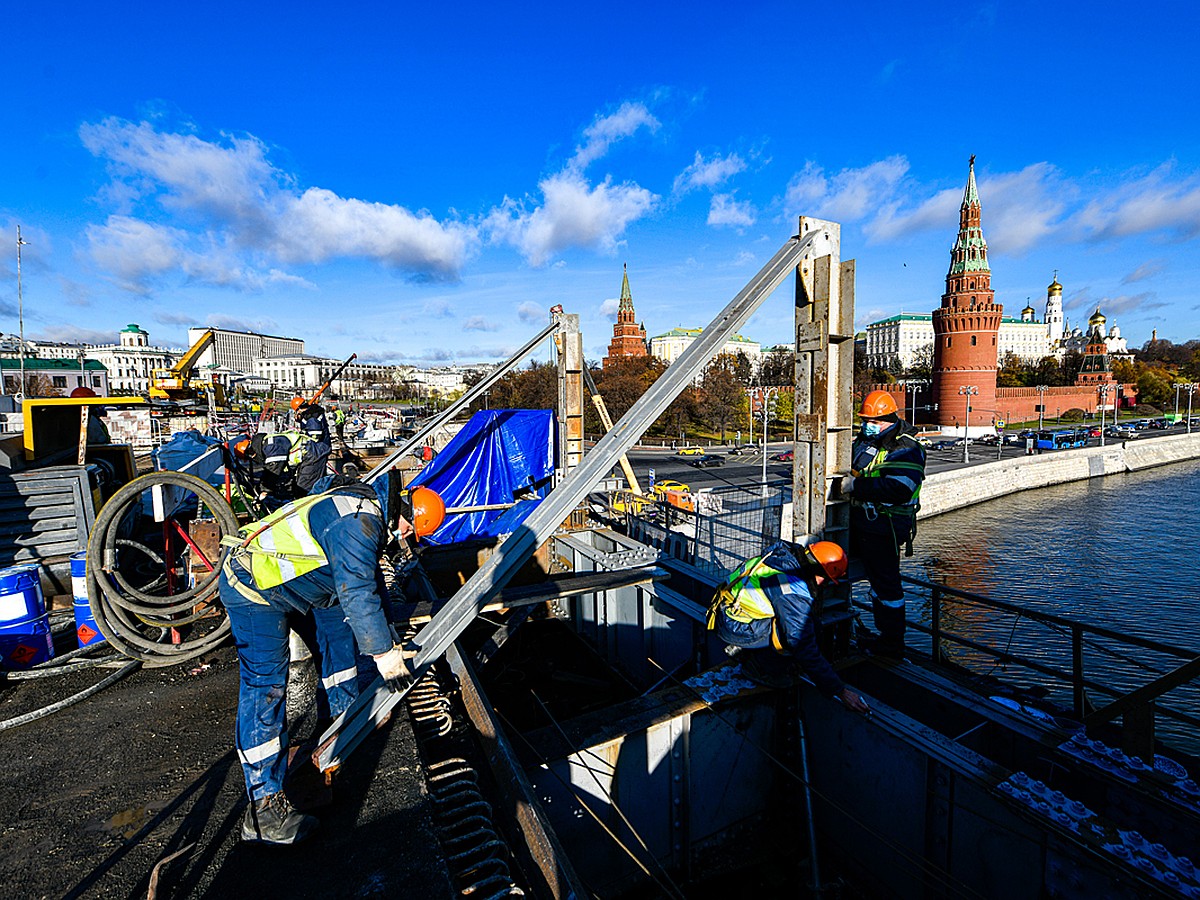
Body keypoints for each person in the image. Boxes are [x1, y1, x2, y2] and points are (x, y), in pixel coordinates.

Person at [218, 480, 446, 844]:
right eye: (411, 533)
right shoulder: (358, 523)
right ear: (407, 518)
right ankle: (263, 811)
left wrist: (390, 641)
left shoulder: (365, 513)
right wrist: (385, 656)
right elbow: (356, 591)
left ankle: (340, 727)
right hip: (253, 587)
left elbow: (372, 589)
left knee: (339, 643)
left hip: (301, 586)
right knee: (266, 686)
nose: (407, 540)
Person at [709, 540, 870, 713]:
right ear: (821, 575)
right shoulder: (791, 589)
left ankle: (754, 651)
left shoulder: (786, 560)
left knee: (809, 623)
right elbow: (800, 642)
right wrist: (839, 690)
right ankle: (758, 668)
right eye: (828, 580)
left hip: (732, 611)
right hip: (735, 625)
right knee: (791, 636)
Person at [836, 390, 926, 658]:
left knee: (885, 585)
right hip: (862, 522)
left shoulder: (905, 448)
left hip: (884, 525)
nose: (866, 425)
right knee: (832, 568)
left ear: (889, 418)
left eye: (872, 421)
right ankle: (843, 624)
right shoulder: (868, 440)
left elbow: (900, 487)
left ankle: (891, 644)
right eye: (865, 420)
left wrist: (856, 486)